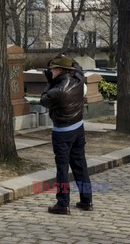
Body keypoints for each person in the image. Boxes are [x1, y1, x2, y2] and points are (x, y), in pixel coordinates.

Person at [40, 54, 93, 215]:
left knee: (62, 168)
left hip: (63, 132)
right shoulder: (78, 77)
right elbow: (77, 66)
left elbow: (43, 100)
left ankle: (63, 203)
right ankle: (86, 200)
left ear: (58, 70)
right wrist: (65, 58)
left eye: (52, 70)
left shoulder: (58, 91)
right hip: (78, 128)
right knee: (80, 165)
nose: (50, 72)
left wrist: (49, 83)